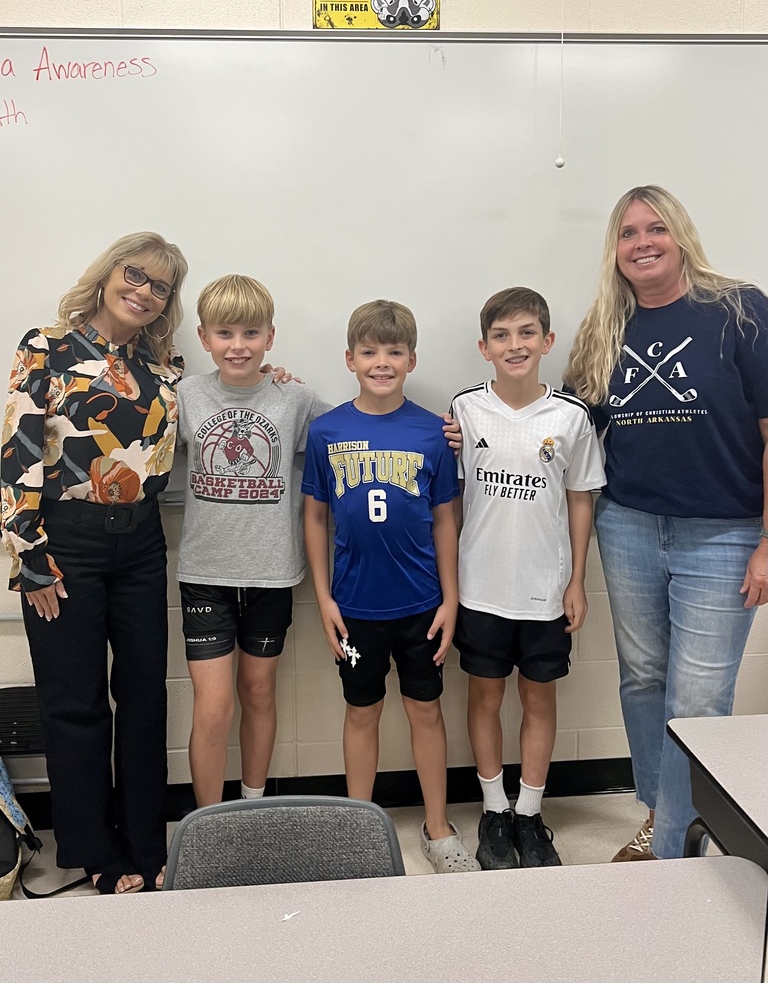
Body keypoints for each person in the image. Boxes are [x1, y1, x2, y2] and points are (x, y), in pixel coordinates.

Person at [563, 185, 768, 861]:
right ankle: (665, 813)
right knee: (643, 677)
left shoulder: (740, 310)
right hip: (628, 527)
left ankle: (672, 845)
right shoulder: (605, 325)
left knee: (701, 695)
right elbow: (568, 429)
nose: (642, 243)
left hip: (725, 532)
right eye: (627, 233)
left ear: (680, 235)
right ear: (615, 251)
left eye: (655, 229)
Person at [1, 233, 188, 895]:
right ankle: (95, 852)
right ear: (106, 276)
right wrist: (29, 554)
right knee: (74, 701)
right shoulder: (45, 348)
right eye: (134, 275)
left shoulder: (164, 364)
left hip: (141, 544)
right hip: (64, 543)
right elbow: (18, 450)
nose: (144, 291)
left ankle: (147, 841)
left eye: (160, 286)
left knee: (144, 697)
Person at [302, 299, 480, 873]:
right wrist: (325, 600)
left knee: (426, 711)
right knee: (362, 712)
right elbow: (314, 517)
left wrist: (451, 599)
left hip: (422, 606)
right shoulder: (327, 430)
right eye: (370, 351)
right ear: (350, 359)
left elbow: (447, 518)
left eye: (394, 351)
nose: (382, 362)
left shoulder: (433, 432)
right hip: (355, 608)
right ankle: (359, 830)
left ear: (411, 358)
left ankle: (437, 827)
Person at [451, 287, 605, 870]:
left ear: (547, 341)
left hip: (546, 589)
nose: (514, 345)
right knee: (485, 696)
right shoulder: (465, 411)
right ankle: (494, 810)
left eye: (526, 333)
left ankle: (530, 814)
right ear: (484, 347)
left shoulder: (570, 417)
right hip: (480, 586)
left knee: (539, 699)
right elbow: (454, 496)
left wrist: (577, 580)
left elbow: (581, 501)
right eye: (501, 335)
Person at [175, 274, 330, 809]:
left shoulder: (296, 398)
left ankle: (251, 806)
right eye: (224, 334)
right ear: (203, 337)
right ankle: (209, 821)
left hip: (271, 573)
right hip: (205, 573)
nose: (237, 345)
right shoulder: (186, 396)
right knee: (213, 707)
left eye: (250, 333)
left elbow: (351, 438)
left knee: (259, 692)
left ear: (270, 336)